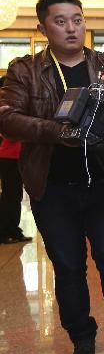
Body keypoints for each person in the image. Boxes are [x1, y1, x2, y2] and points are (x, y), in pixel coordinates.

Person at [0, 0, 104, 354]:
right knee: (68, 267)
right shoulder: (25, 70)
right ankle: (82, 339)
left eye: (77, 19)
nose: (71, 28)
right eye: (60, 21)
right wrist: (60, 131)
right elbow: (7, 118)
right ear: (43, 27)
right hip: (52, 188)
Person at [0, 78, 29, 244]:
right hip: (8, 156)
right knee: (9, 196)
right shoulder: (5, 107)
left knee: (15, 195)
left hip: (18, 156)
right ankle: (4, 231)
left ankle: (14, 229)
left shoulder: (17, 105)